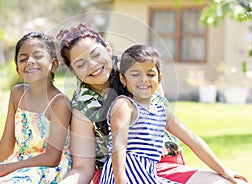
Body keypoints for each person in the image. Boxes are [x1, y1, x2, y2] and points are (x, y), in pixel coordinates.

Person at [56, 23, 248, 184]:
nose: (92, 65)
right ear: (73, 71)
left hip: (165, 166)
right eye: (80, 64)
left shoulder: (143, 76)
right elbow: (83, 167)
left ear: (107, 48)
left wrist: (224, 170)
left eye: (96, 54)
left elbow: (189, 136)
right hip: (119, 174)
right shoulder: (83, 106)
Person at [99, 45, 248, 184]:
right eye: (135, 74)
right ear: (123, 79)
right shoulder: (124, 105)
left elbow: (193, 140)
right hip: (123, 175)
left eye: (150, 74)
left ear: (159, 78)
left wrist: (223, 170)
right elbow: (119, 145)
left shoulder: (161, 111)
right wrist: (120, 181)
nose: (144, 79)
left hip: (146, 175)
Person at [0, 32, 72, 183]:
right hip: (19, 164)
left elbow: (52, 158)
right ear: (18, 69)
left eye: (38, 56)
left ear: (54, 64)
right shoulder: (17, 94)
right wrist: (0, 169)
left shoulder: (59, 102)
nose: (30, 61)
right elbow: (7, 138)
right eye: (23, 59)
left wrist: (6, 169)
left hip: (48, 169)